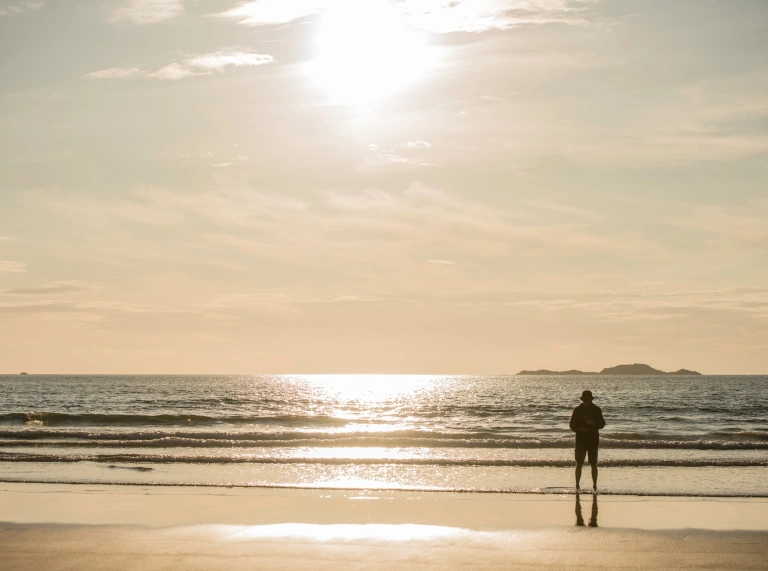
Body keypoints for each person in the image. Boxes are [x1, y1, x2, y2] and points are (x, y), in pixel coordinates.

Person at [569, 390, 605, 492]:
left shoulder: (596, 409)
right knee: (579, 463)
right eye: (585, 400)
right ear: (583, 400)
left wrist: (594, 423)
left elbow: (602, 424)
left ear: (591, 400)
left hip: (593, 440)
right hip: (581, 440)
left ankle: (594, 485)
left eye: (588, 400)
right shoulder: (577, 410)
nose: (587, 402)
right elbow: (572, 425)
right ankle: (577, 485)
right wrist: (580, 428)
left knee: (593, 463)